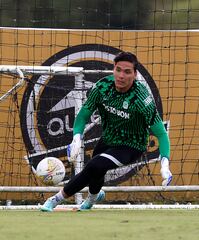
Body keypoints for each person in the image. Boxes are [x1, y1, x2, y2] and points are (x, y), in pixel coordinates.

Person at [41, 51, 172, 212]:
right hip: (109, 138)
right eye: (118, 69)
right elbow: (82, 116)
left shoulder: (142, 100)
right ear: (113, 69)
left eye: (127, 72)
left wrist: (164, 164)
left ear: (135, 74)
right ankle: (93, 198)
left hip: (131, 145)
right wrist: (76, 138)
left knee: (95, 164)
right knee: (97, 171)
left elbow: (161, 134)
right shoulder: (103, 87)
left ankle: (55, 199)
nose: (121, 75)